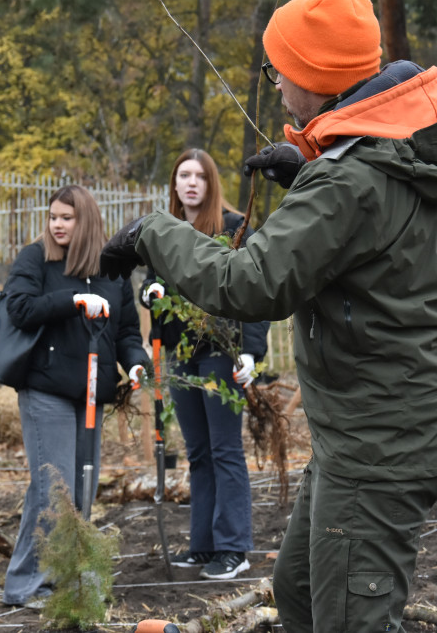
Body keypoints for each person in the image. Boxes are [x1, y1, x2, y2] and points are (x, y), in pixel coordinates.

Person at [100, 0, 437, 632]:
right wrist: (310, 163)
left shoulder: (348, 181)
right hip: (383, 423)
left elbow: (248, 284)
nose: (277, 85)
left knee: (349, 619)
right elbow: (370, 235)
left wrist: (153, 233)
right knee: (302, 590)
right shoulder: (400, 154)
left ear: (315, 76)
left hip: (382, 438)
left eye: (280, 69)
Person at [0, 185, 149, 608]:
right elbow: (20, 308)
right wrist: (73, 300)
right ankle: (26, 583)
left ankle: (68, 578)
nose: (57, 225)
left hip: (91, 394)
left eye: (67, 217)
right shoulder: (37, 258)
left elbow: (126, 333)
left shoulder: (113, 269)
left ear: (87, 222)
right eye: (53, 217)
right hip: (46, 389)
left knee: (82, 488)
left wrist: (135, 363)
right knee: (53, 489)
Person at [140, 149, 269, 580]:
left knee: (224, 450)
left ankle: (234, 547)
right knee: (197, 453)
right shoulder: (167, 232)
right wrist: (151, 294)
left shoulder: (233, 229)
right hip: (180, 358)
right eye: (183, 175)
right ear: (174, 185)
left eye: (200, 176)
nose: (191, 183)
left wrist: (251, 351)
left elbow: (258, 289)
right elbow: (152, 284)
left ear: (212, 183)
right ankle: (203, 546)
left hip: (220, 355)